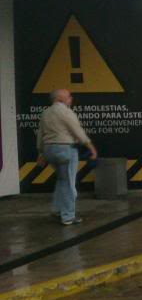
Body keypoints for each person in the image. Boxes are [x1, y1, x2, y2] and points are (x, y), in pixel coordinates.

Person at [36, 88, 97, 225]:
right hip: (65, 149)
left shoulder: (46, 113)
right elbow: (77, 130)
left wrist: (41, 152)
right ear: (60, 99)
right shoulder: (66, 112)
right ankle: (68, 216)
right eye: (69, 96)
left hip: (49, 149)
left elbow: (40, 133)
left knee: (62, 180)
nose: (71, 99)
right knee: (69, 183)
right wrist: (90, 147)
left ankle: (57, 210)